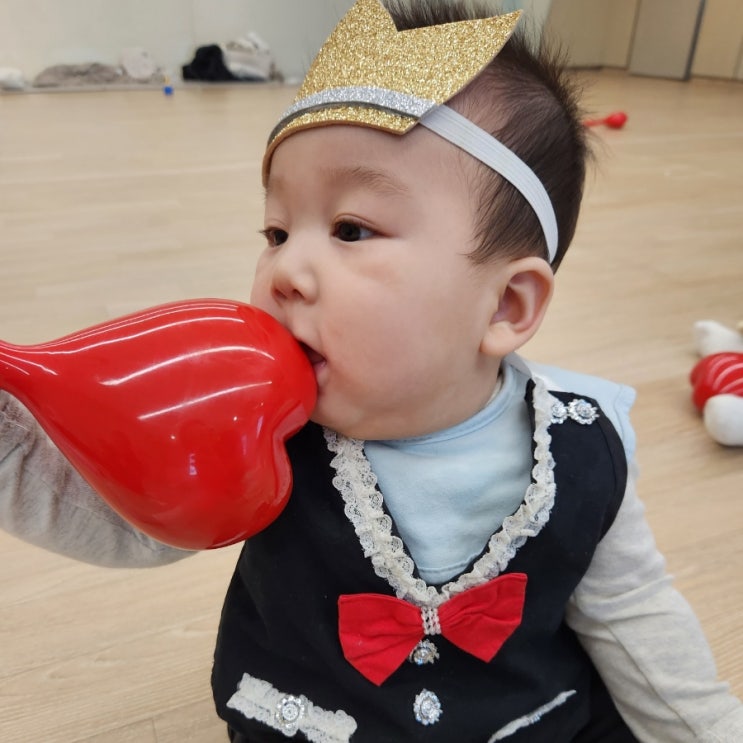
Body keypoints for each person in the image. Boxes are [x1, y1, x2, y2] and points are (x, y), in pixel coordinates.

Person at [1, 1, 742, 740]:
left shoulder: (582, 449)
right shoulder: (264, 428)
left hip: (517, 720)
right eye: (277, 230)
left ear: (505, 305)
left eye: (350, 229)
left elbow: (632, 612)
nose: (285, 269)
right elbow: (133, 524)